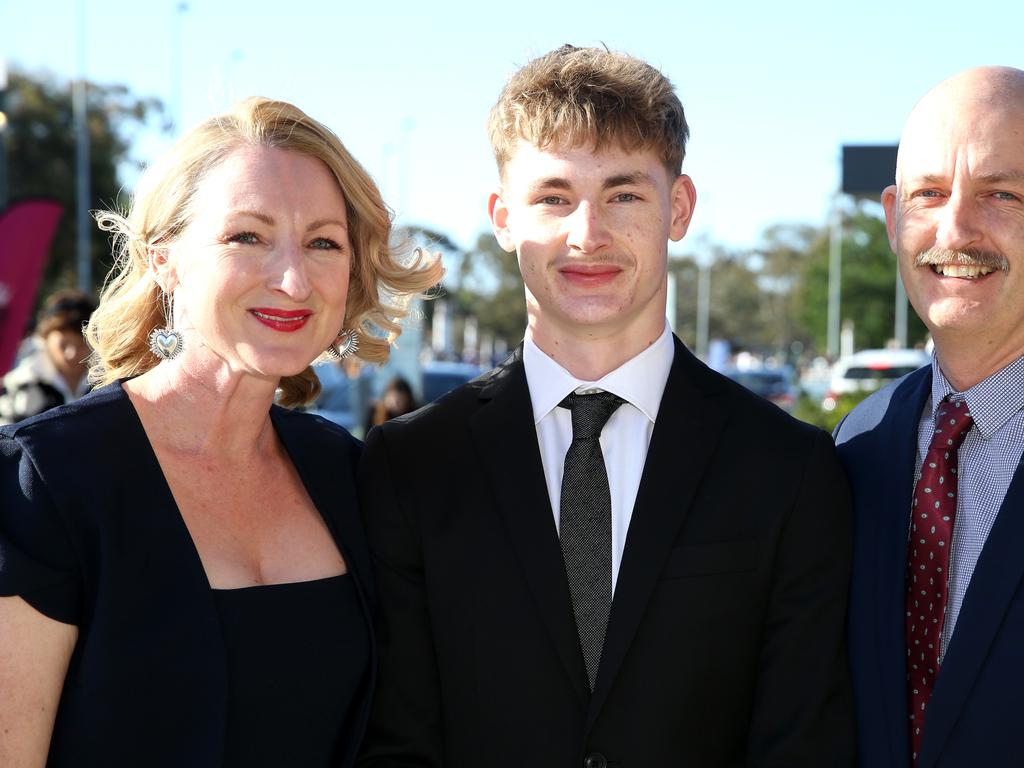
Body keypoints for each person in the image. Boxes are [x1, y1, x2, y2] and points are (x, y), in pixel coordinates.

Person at [357, 44, 855, 767]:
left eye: (623, 194)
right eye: (553, 197)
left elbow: (801, 743)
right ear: (502, 217)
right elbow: (397, 741)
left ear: (677, 208)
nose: (587, 233)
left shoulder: (789, 469)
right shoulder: (412, 465)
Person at [0, 97, 441, 767]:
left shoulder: (352, 477)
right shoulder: (47, 482)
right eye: (248, 236)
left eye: (323, 242)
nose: (293, 279)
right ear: (164, 259)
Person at [836, 66, 1024, 768]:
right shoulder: (855, 447)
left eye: (1000, 193)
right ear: (892, 218)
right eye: (929, 195)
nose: (956, 229)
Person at [0, 289, 96, 424]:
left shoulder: (109, 380)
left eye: (81, 344)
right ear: (45, 339)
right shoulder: (19, 385)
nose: (72, 353)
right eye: (63, 344)